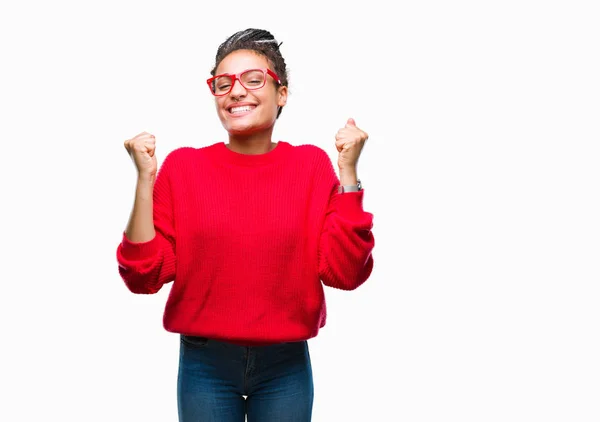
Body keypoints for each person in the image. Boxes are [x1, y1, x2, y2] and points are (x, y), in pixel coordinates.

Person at [116, 28, 375, 422]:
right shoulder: (184, 168)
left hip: (285, 363)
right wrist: (144, 180)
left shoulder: (309, 166)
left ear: (281, 93)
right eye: (223, 84)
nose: (236, 92)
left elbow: (344, 272)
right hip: (205, 362)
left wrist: (349, 174)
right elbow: (143, 276)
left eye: (253, 80)